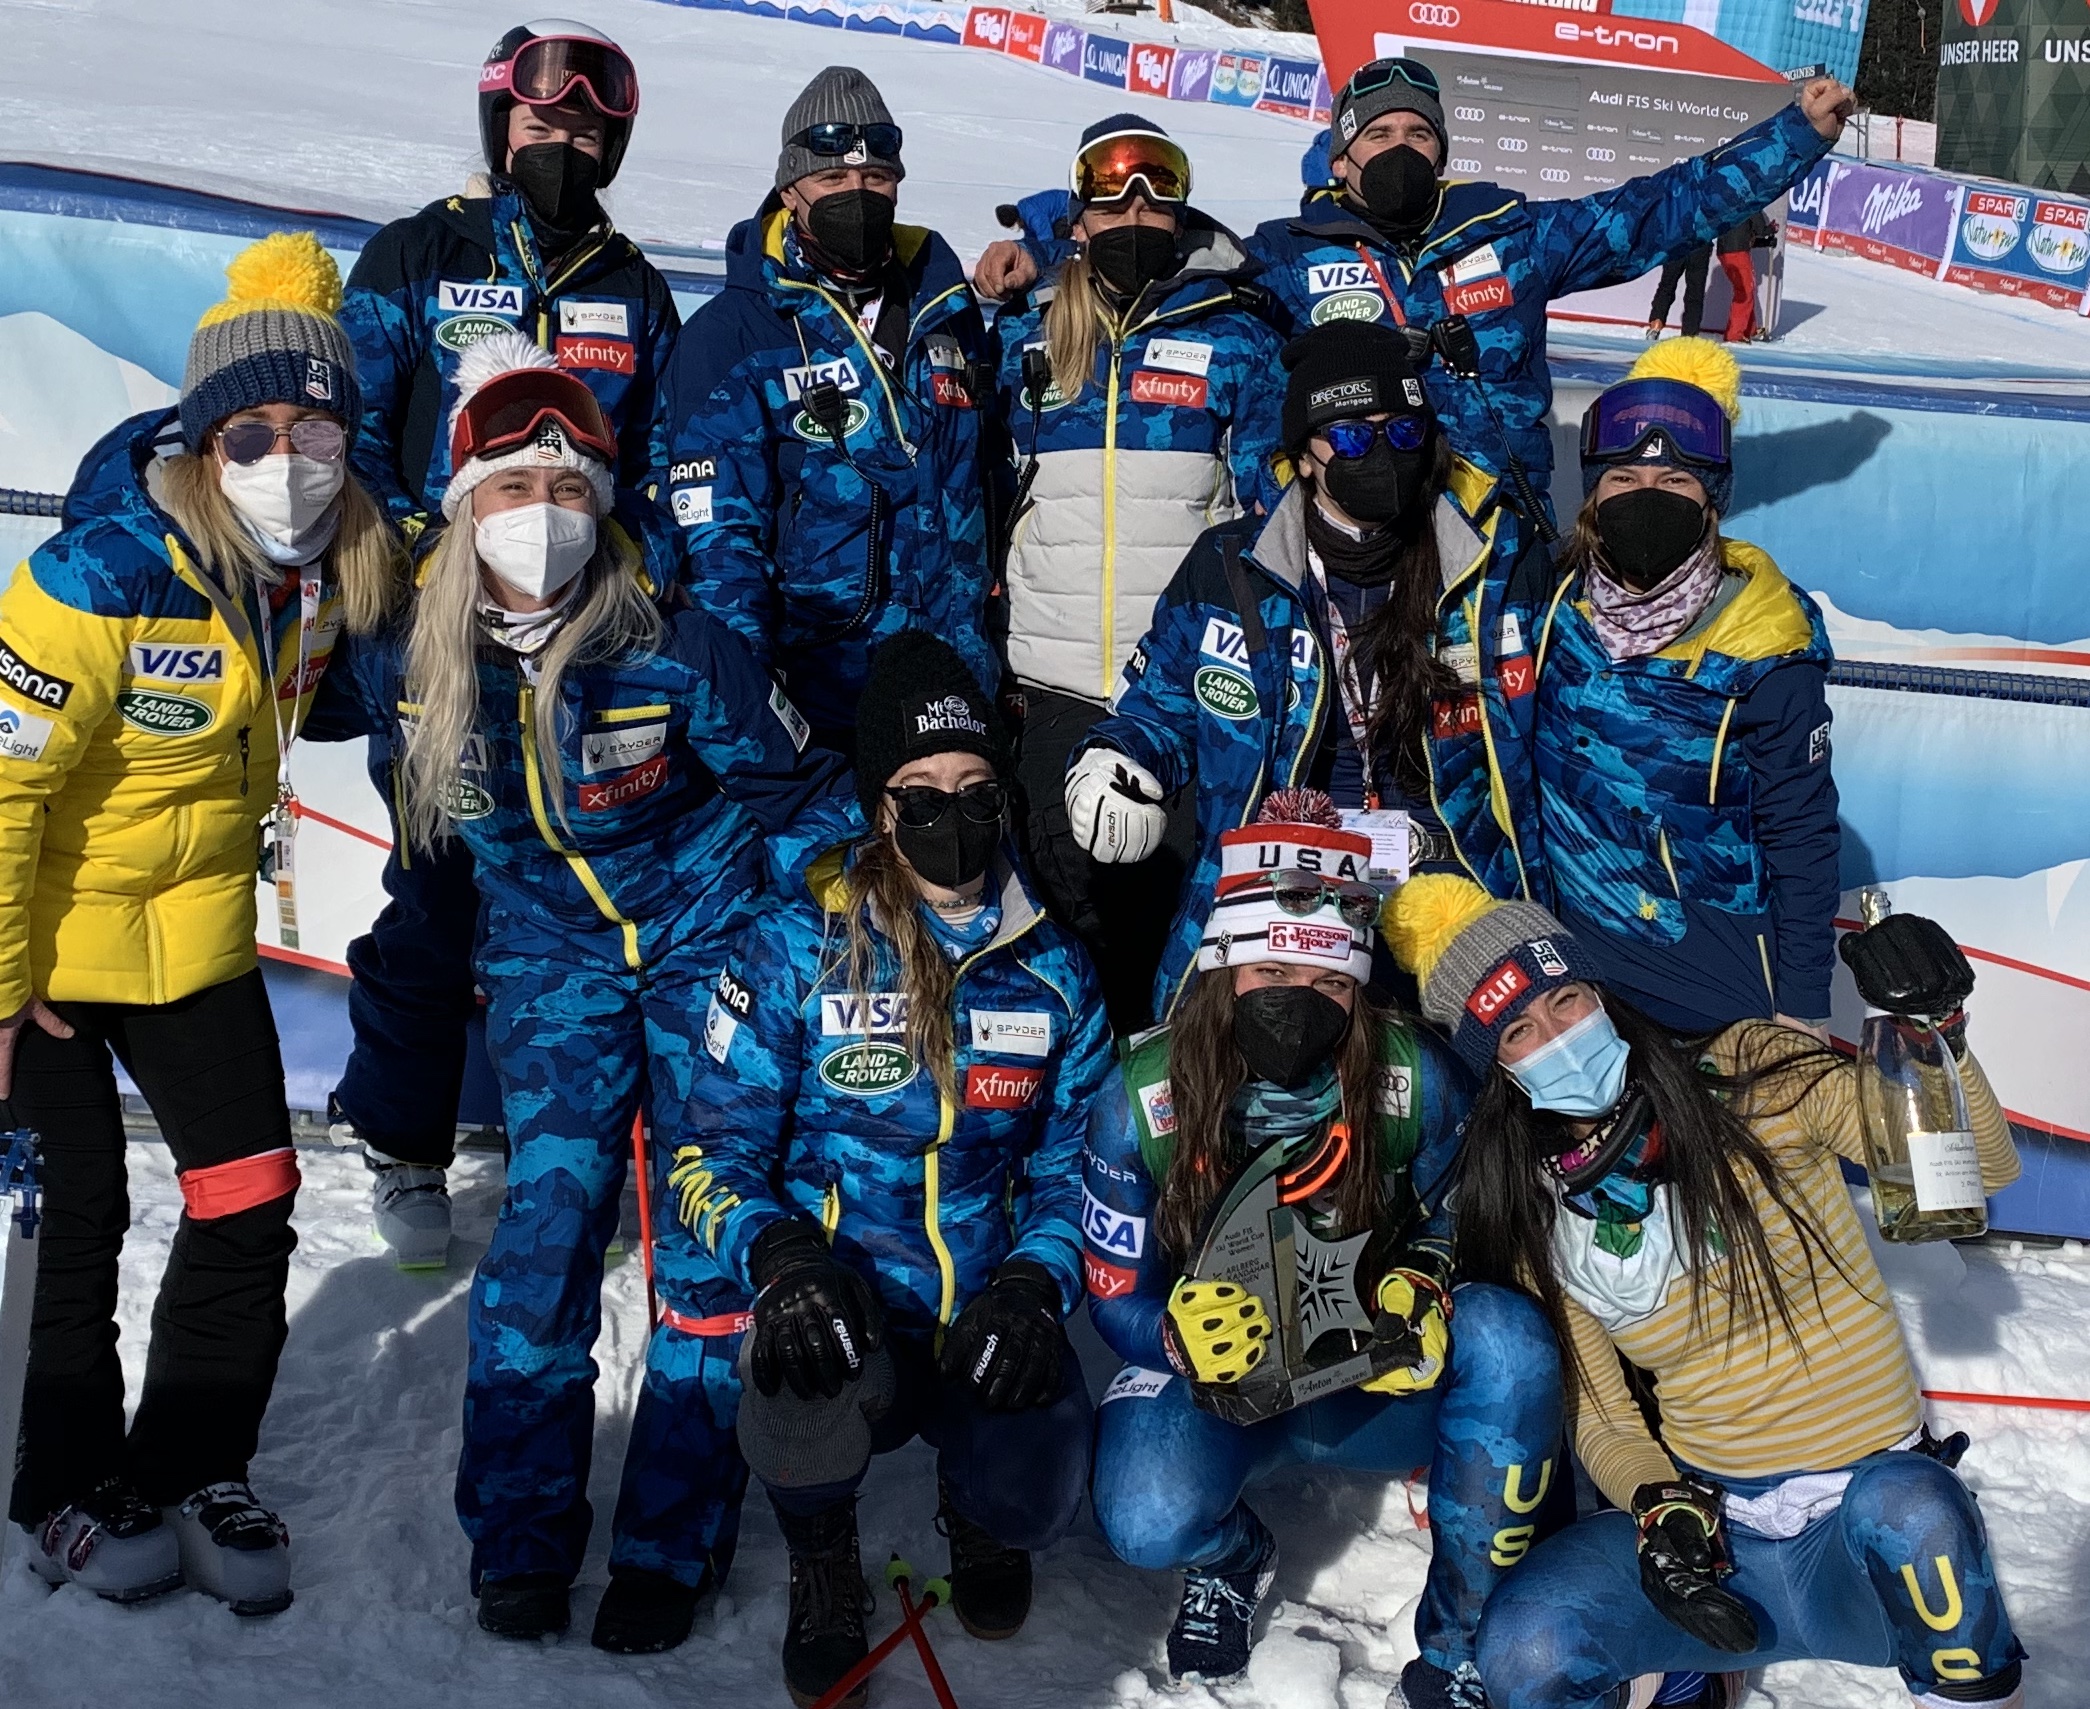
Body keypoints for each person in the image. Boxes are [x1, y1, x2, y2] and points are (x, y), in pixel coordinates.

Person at [309, 331, 854, 1651]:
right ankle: (522, 1535)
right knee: (545, 1234)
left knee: (703, 1233)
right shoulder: (404, 650)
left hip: (703, 939)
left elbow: (804, 802)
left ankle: (672, 1540)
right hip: (554, 966)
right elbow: (248, 636)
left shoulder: (670, 639)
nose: (538, 516)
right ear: (461, 508)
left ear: (601, 506)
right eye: (507, 489)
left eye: (566, 489)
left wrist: (818, 936)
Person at [0, 234, 397, 1614]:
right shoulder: (97, 574)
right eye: (251, 430)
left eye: (315, 428)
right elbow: (0, 786)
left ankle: (187, 1461)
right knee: (85, 1206)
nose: (285, 455)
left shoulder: (323, 569)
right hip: (48, 957)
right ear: (198, 437)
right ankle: (60, 1480)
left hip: (199, 947)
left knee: (250, 1199)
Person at [1381, 875, 2027, 1709]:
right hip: (1722, 1539)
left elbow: (1980, 1168)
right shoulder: (1541, 1211)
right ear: (1495, 1065)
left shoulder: (1752, 1070)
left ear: (1600, 994)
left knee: (1915, 1506)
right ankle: (1689, 1675)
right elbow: (1605, 1415)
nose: (1555, 1036)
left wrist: (1936, 1034)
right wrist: (1659, 1506)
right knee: (1524, 1650)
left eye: (1567, 1000)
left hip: (1865, 1539)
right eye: (1516, 1032)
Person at [670, 635, 1112, 1707]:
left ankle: (979, 1509)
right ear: (879, 808)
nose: (947, 815)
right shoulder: (792, 945)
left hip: (980, 1307)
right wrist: (778, 1256)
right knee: (789, 1366)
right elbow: (706, 1150)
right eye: (918, 794)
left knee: (1038, 1478)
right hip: (844, 1302)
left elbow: (1076, 1167)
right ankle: (822, 1563)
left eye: (971, 790)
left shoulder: (1053, 962)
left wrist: (1033, 1283)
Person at [1082, 798, 1563, 1706]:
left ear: (1359, 988)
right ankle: (1232, 1555)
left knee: (1509, 1342)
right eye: (1270, 969)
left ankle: (1463, 1635)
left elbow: (1463, 1219)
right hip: (1226, 1385)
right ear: (1223, 970)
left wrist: (1424, 1280)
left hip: (1366, 1373)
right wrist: (1175, 1338)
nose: (1298, 1004)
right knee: (1145, 1512)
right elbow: (1112, 1295)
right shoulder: (1139, 1096)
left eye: (1331, 984)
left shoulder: (1413, 1074)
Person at [332, 17, 679, 1268]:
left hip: (578, 633)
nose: (565, 135)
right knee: (433, 890)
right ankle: (403, 1142)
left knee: (573, 894)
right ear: (499, 122)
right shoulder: (418, 251)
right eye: (543, 119)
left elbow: (656, 469)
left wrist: (636, 598)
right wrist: (410, 573)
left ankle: (566, 1150)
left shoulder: (634, 285)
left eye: (589, 125)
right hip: (436, 637)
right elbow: (356, 438)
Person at [973, 60, 1853, 503]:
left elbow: (1660, 210)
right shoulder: (1288, 255)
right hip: (1363, 537)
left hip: (1500, 542)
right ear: (1344, 156)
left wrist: (1794, 136)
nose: (1401, 146)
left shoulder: (1511, 240)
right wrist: (1050, 240)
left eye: (1419, 134)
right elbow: (1168, 248)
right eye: (1381, 132)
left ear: (1441, 154)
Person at [1069, 322, 1552, 1025]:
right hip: (1283, 873)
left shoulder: (1496, 565)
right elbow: (1161, 707)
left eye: (1403, 433)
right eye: (1353, 437)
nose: (1381, 453)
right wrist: (1120, 756)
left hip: (1456, 876)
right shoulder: (1232, 566)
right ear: (1304, 455)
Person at [991, 114, 1286, 1031]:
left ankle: (1169, 1127)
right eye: (1111, 191)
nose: (1136, 210)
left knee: (1180, 929)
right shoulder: (1027, 337)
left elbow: (1272, 523)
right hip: (1057, 686)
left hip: (1183, 696)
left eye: (1160, 190)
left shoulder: (1237, 338)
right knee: (1069, 922)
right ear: (1077, 214)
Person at [655, 67, 994, 755]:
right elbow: (719, 543)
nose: (858, 196)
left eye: (876, 180)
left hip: (958, 686)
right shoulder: (732, 337)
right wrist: (755, 707)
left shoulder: (946, 313)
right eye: (833, 182)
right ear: (790, 192)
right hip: (825, 701)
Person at [1531, 338, 1836, 1036]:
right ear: (1594, 494)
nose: (1647, 498)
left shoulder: (1765, 650)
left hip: (1703, 980)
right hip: (1566, 970)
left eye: (1674, 484)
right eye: (1624, 481)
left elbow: (1802, 833)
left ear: (1710, 504)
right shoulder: (1551, 602)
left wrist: (1804, 1004)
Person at [1717, 212, 1776, 343]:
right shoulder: (1754, 203)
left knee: (1745, 289)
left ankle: (1749, 329)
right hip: (1738, 252)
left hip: (1725, 250)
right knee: (1744, 291)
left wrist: (1765, 241)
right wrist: (1772, 229)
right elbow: (1760, 230)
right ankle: (1735, 334)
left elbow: (1744, 235)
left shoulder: (1733, 204)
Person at [1645, 245, 1712, 340]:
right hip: (1700, 245)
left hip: (1678, 243)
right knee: (1695, 292)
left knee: (1667, 286)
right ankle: (1689, 335)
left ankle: (1655, 325)